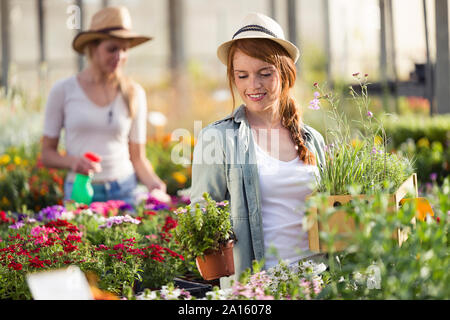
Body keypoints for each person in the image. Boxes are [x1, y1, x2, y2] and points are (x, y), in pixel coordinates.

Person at [189, 12, 327, 287]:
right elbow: (201, 217)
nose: (253, 85)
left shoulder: (312, 140)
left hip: (316, 280)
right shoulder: (217, 139)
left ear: (286, 74)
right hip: (257, 288)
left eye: (265, 73)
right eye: (242, 75)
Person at [41, 6, 169, 206]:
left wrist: (156, 186)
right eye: (112, 48)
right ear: (92, 48)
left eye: (125, 49)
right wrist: (73, 161)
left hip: (124, 190)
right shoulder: (64, 90)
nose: (120, 56)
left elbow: (138, 158)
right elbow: (47, 154)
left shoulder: (134, 93)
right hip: (80, 191)